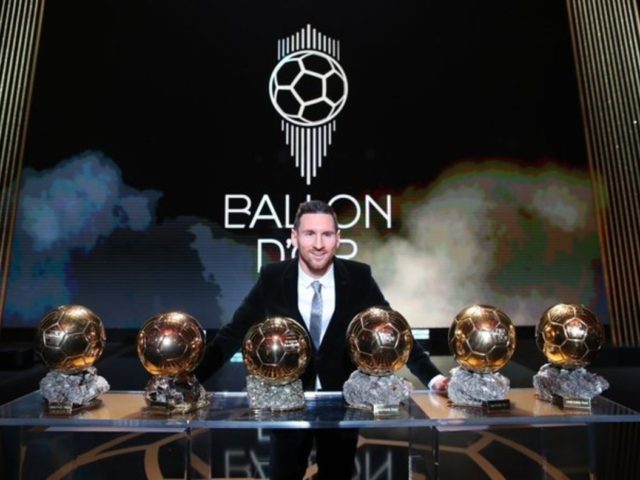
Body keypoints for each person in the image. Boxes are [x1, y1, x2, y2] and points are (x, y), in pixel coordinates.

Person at [196, 199, 448, 480]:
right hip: (288, 404)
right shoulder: (273, 277)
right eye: (310, 234)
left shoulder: (358, 277)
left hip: (341, 406)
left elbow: (394, 334)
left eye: (326, 234)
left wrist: (434, 379)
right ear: (294, 237)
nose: (318, 244)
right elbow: (232, 334)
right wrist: (192, 379)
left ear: (338, 238)